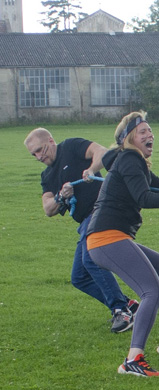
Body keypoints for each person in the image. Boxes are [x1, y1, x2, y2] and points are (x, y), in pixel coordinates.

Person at [86, 111, 159, 377]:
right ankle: (132, 360)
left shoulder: (129, 159)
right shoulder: (129, 158)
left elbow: (146, 181)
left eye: (150, 131)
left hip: (113, 237)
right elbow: (142, 196)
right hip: (106, 238)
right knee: (153, 291)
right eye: (143, 132)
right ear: (129, 138)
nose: (150, 135)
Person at [24, 128, 138, 333]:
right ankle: (127, 304)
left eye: (40, 150)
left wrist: (92, 170)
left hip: (102, 209)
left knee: (91, 260)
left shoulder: (70, 147)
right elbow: (48, 209)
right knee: (79, 277)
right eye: (34, 154)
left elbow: (102, 152)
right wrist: (60, 196)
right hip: (85, 220)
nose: (39, 157)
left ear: (50, 141)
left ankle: (121, 310)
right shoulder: (47, 175)